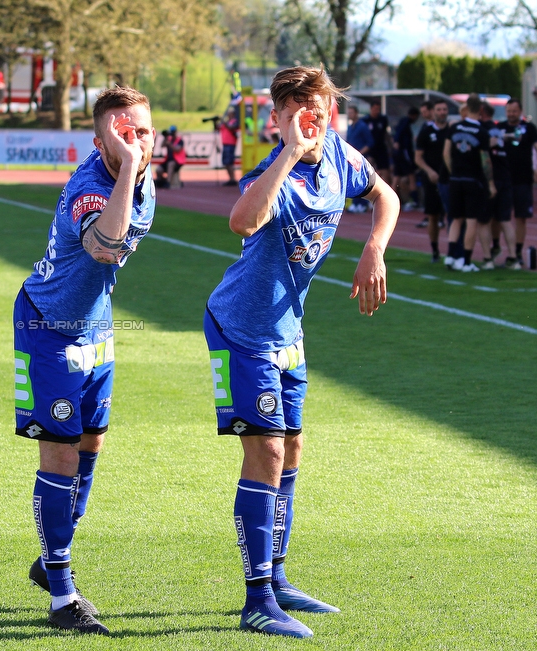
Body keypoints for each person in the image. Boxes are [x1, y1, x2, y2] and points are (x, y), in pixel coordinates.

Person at [205, 65, 398, 638]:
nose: (306, 121)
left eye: (313, 109)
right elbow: (241, 222)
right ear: (277, 120)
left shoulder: (341, 155)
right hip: (240, 326)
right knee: (263, 451)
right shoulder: (274, 171)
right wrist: (289, 152)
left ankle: (278, 577)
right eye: (290, 113)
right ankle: (257, 598)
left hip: (288, 331)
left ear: (329, 113)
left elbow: (384, 196)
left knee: (291, 449)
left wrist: (374, 250)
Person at [13, 86, 156, 634]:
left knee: (92, 444)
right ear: (100, 142)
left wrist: (133, 168)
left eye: (142, 130)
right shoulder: (92, 187)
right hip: (47, 327)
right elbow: (104, 244)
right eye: (123, 133)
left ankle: (51, 562)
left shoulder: (139, 179)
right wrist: (126, 171)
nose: (135, 141)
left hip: (95, 326)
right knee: (61, 455)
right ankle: (63, 597)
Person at [443, 94, 496, 272]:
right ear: (480, 109)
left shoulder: (455, 127)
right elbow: (485, 160)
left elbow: (446, 153)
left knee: (456, 218)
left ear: (466, 107)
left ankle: (450, 256)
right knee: (471, 221)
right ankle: (466, 261)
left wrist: (454, 172)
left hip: (455, 179)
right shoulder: (482, 132)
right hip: (473, 180)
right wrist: (490, 183)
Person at [501, 98, 537, 266]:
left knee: (521, 217)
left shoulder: (529, 128)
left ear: (520, 111)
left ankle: (517, 252)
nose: (511, 114)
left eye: (514, 111)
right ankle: (499, 248)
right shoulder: (500, 128)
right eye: (509, 111)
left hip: (523, 179)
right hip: (503, 178)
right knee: (501, 217)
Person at [479, 102, 519, 268]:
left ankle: (488, 258)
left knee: (484, 221)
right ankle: (513, 258)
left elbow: (483, 153)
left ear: (481, 113)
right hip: (505, 176)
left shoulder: (481, 130)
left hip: (490, 178)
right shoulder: (499, 129)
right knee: (505, 220)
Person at [414, 99, 452, 262]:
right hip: (432, 179)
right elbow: (418, 158)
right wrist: (429, 171)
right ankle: (435, 250)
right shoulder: (426, 132)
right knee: (433, 216)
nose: (442, 112)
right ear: (434, 112)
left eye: (444, 109)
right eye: (439, 109)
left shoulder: (452, 130)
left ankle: (453, 250)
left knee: (453, 216)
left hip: (450, 179)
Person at [344, 104, 373, 213]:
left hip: (361, 159)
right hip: (351, 159)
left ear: (356, 113)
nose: (350, 114)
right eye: (349, 112)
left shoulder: (362, 126)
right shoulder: (350, 127)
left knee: (362, 180)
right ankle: (355, 203)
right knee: (353, 180)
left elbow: (370, 142)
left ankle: (363, 203)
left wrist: (359, 154)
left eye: (352, 112)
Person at [392, 106, 420, 213]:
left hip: (398, 154)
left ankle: (391, 203)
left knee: (396, 178)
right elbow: (399, 133)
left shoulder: (402, 122)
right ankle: (415, 200)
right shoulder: (406, 122)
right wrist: (397, 142)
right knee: (411, 176)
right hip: (403, 153)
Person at [361, 100, 392, 187]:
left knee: (385, 171)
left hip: (381, 148)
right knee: (369, 171)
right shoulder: (365, 121)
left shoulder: (383, 119)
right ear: (371, 109)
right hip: (370, 150)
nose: (377, 111)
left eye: (378, 109)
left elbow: (386, 134)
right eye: (375, 109)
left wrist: (391, 146)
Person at [220, 94, 241, 185]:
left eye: (229, 113)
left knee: (230, 161)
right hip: (225, 143)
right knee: (225, 162)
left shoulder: (234, 121)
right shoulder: (227, 122)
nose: (228, 115)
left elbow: (231, 128)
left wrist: (224, 122)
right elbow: (218, 128)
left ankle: (233, 178)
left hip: (231, 143)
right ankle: (230, 178)